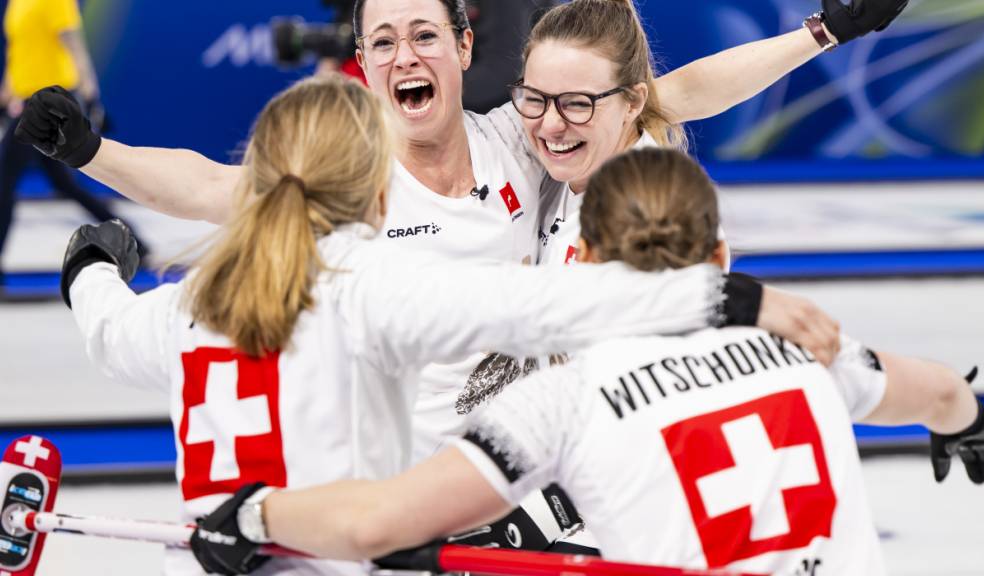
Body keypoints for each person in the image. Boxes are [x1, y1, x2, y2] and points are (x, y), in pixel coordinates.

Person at [13, 0, 876, 461]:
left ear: (464, 48)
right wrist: (93, 150)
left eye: (424, 34)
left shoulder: (521, 135)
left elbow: (669, 93)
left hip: (541, 473)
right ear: (362, 62)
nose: (404, 56)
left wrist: (822, 30)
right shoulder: (349, 180)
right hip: (414, 495)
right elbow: (210, 187)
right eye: (381, 41)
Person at [60, 76, 809, 575]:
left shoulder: (194, 304)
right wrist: (711, 302)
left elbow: (109, 330)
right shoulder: (371, 290)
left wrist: (90, 264)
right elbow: (532, 308)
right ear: (374, 191)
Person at [192, 148, 984, 575]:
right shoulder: (802, 346)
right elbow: (940, 391)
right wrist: (973, 424)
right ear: (722, 254)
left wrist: (254, 515)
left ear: (581, 262)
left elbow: (376, 524)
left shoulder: (561, 398)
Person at [0, 0, 145, 289]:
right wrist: (7, 95)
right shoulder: (17, 3)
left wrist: (91, 97)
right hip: (28, 100)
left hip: (52, 101)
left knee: (4, 180)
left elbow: (75, 47)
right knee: (63, 183)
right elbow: (19, 52)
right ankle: (135, 239)